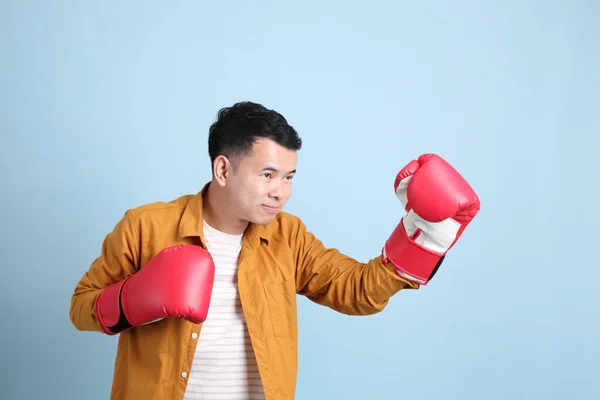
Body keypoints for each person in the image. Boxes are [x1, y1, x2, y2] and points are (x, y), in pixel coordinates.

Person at [69, 101, 480, 400]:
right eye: (268, 174)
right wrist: (133, 299)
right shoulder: (146, 226)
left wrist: (422, 240)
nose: (280, 191)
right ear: (223, 169)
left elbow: (357, 290)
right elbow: (81, 306)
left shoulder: (289, 237)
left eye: (289, 177)